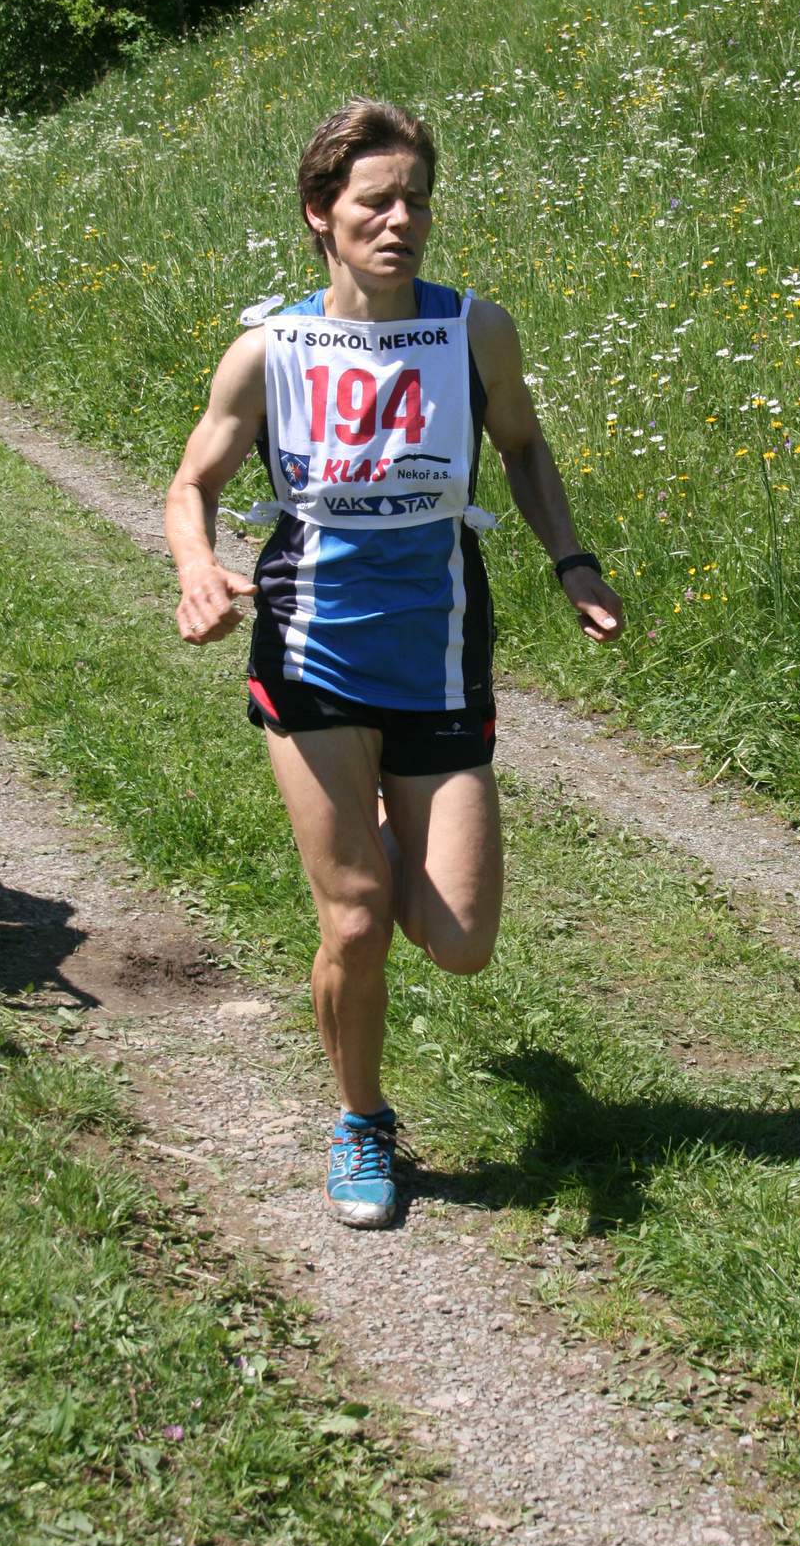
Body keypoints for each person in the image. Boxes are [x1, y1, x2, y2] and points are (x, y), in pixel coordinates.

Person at [164, 98, 624, 1228]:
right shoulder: (269, 349)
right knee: (359, 918)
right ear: (320, 214)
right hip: (310, 646)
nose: (400, 220)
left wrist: (571, 560)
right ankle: (362, 1120)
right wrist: (197, 568)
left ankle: (370, 818)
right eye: (375, 201)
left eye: (415, 200)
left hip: (439, 651)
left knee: (459, 942)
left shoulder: (474, 330)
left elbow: (522, 446)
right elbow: (193, 483)